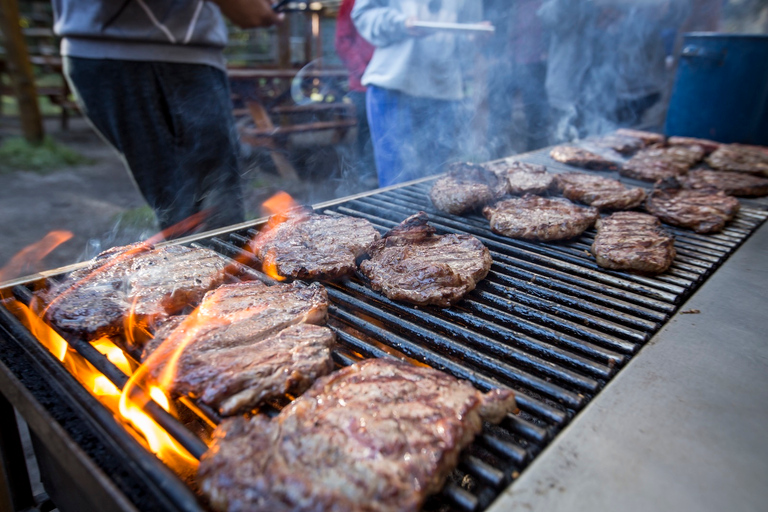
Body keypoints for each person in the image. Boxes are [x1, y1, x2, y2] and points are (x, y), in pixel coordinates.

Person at [51, 0, 281, 237]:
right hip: (159, 56)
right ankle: (210, 270)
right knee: (209, 214)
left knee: (183, 204)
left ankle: (207, 265)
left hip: (108, 52)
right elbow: (248, 11)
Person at [352, 0, 484, 187]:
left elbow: (464, 41)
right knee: (397, 186)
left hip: (444, 90)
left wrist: (472, 37)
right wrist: (400, 23)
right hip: (394, 86)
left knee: (434, 183)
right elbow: (363, 14)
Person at [485, 0, 550, 157]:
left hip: (535, 64)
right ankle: (493, 162)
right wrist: (494, 54)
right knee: (498, 119)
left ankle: (536, 163)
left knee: (537, 121)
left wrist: (547, 52)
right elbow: (493, 21)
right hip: (505, 62)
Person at [335, 0, 378, 189]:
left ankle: (378, 173)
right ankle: (367, 175)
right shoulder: (351, 2)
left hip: (391, 80)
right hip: (362, 83)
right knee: (365, 127)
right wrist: (362, 70)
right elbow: (342, 40)